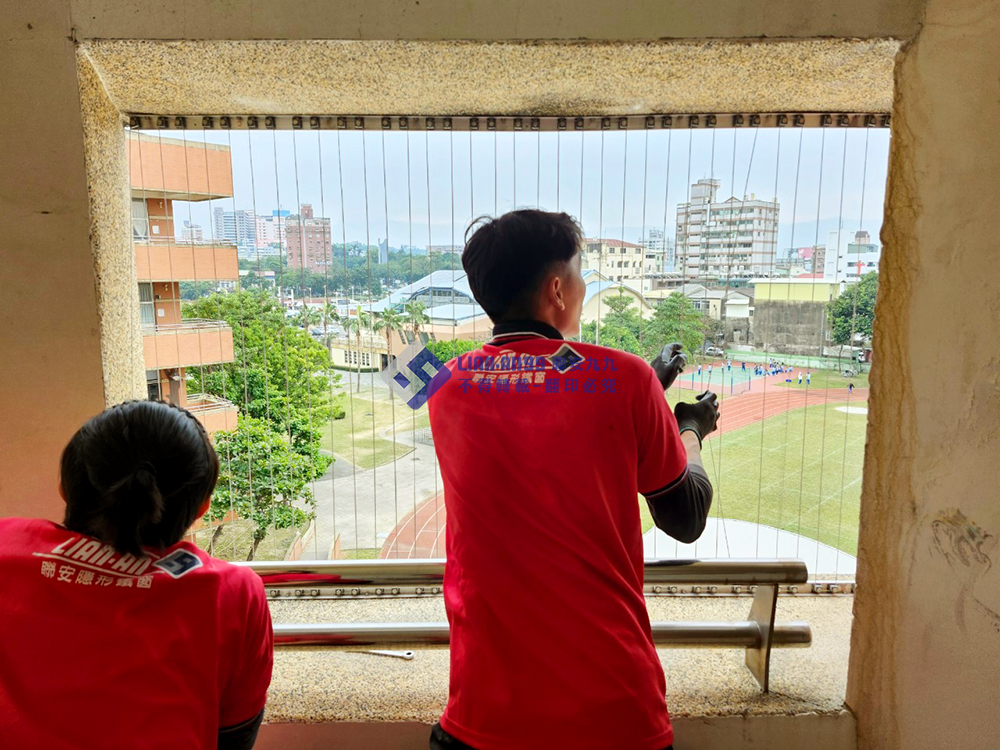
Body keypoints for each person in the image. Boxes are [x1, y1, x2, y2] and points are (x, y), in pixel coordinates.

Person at [427, 210, 720, 750]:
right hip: (614, 714)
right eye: (581, 274)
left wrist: (647, 385)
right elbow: (686, 518)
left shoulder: (444, 386)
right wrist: (689, 429)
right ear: (557, 290)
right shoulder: (625, 380)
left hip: (483, 719)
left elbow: (531, 391)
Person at [0, 400, 273, 750]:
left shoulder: (6, 546)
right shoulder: (233, 593)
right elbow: (235, 735)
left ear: (64, 488)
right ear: (203, 507)